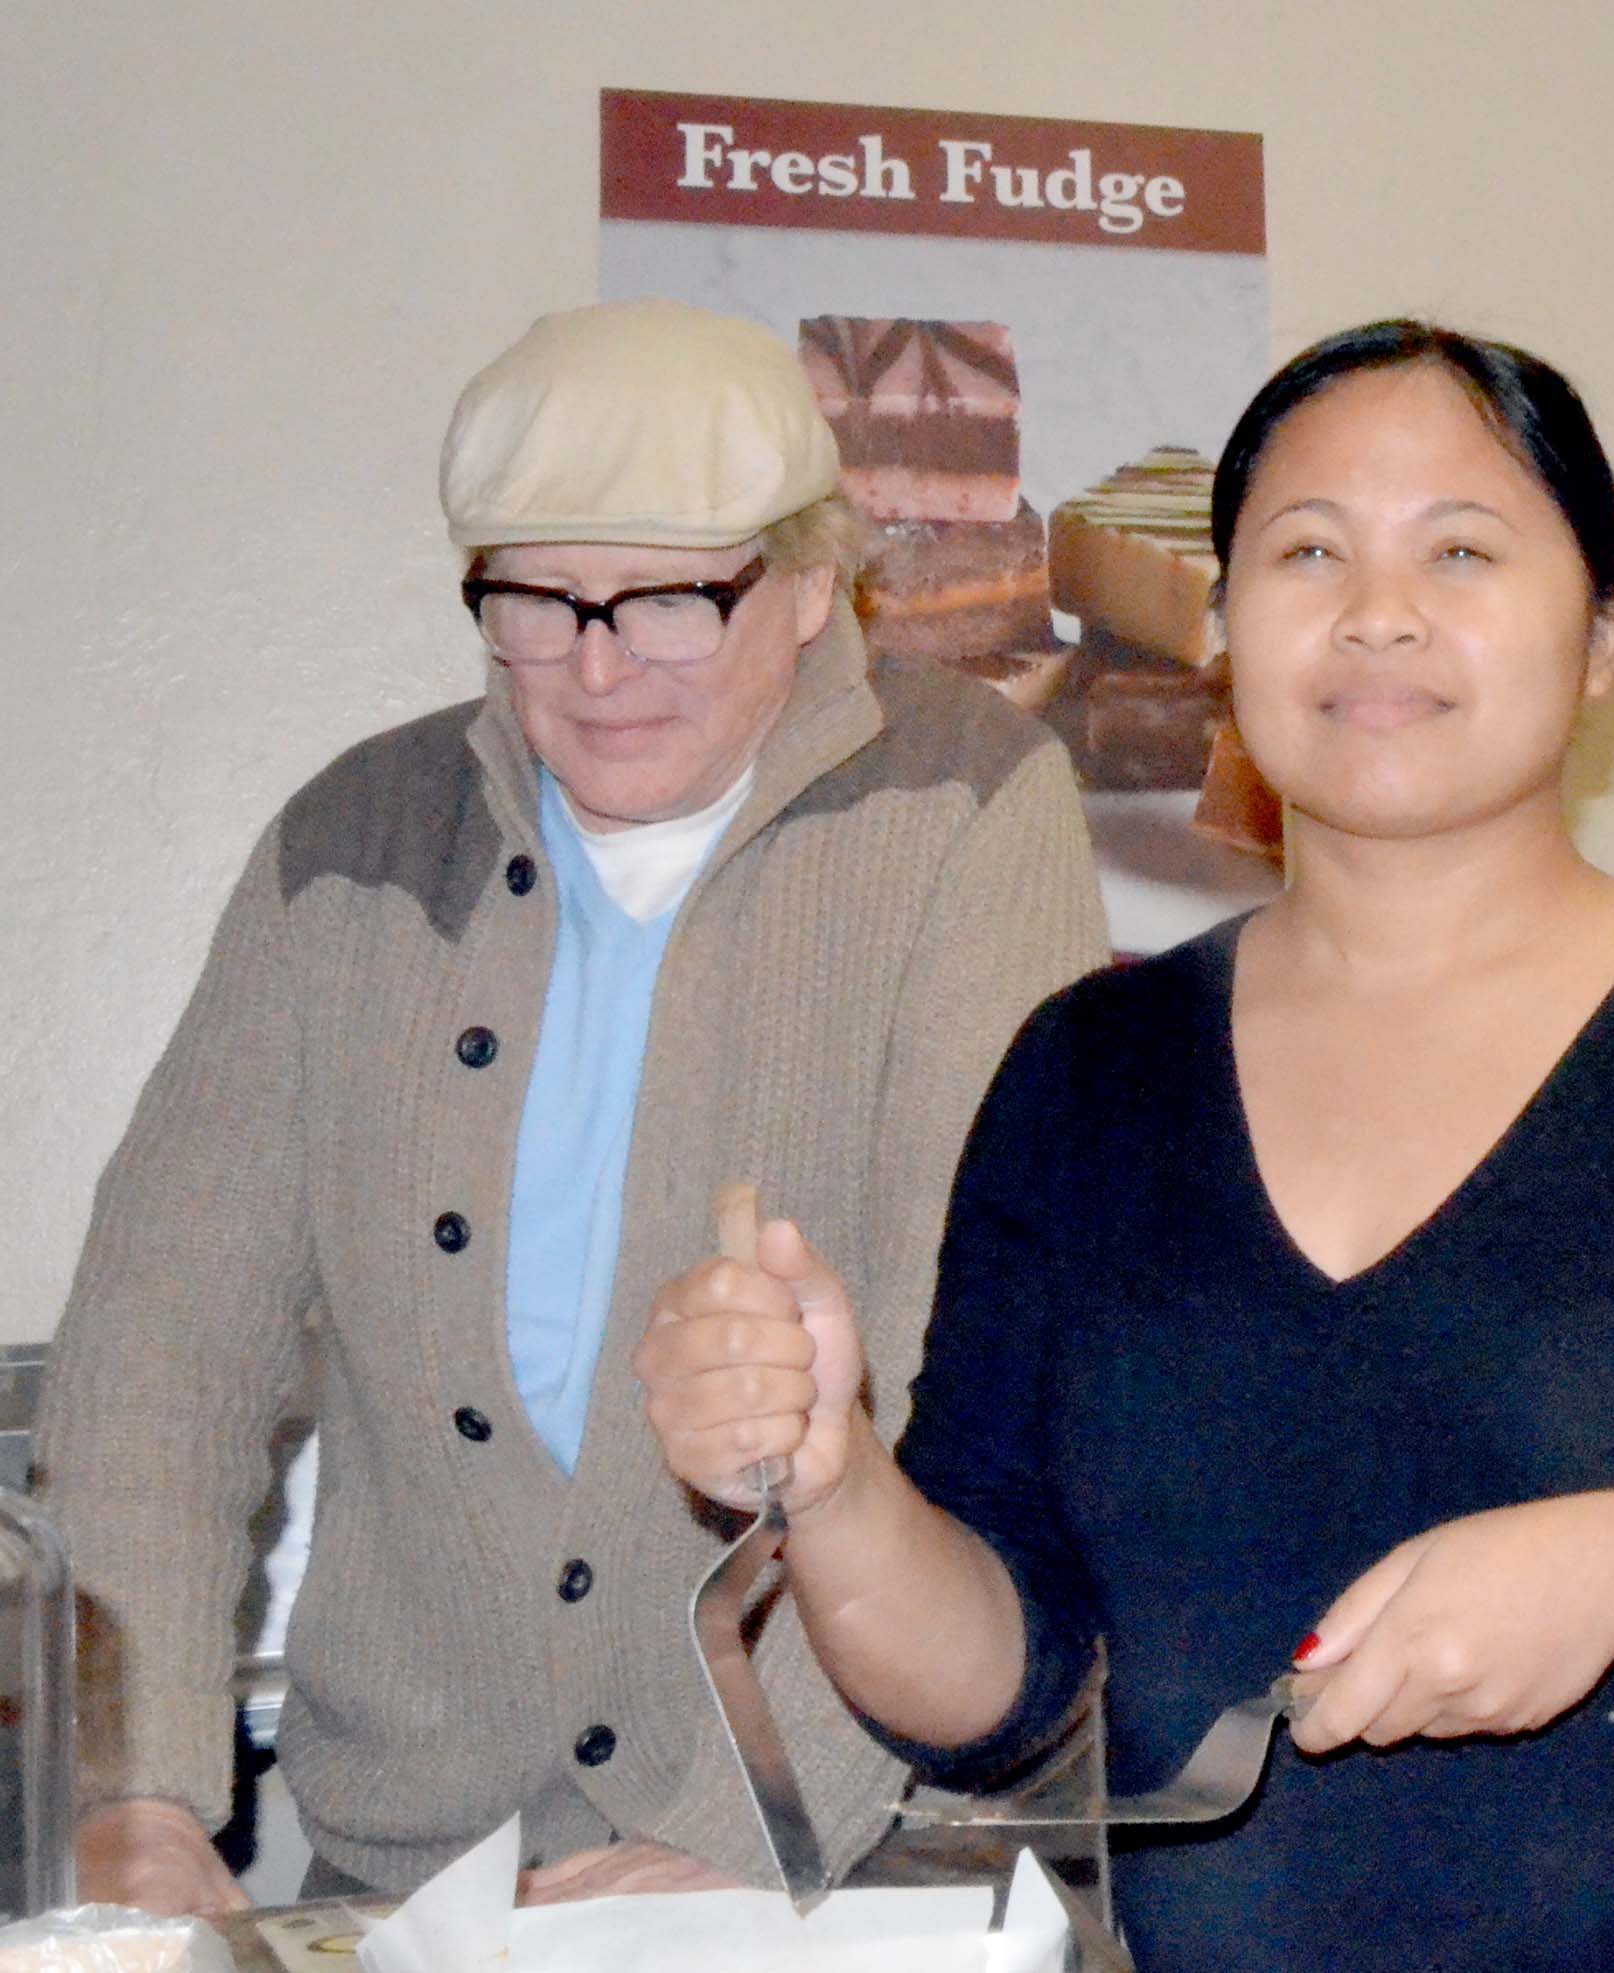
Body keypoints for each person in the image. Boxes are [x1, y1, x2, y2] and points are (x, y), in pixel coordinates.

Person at [640, 319, 1614, 1969]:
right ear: (1217, 628)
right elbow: (998, 1688)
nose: (1379, 611)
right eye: (1309, 550)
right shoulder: (1085, 1077)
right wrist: (833, 1484)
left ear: (1604, 635)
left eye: (1463, 549)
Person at [38, 298, 1108, 1914]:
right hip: (417, 1875)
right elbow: (157, 1354)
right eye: (536, 599)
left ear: (815, 579)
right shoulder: (351, 847)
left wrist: (745, 1826)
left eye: (671, 600)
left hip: (849, 1850)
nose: (597, 665)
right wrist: (131, 1793)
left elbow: (976, 1376)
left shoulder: (965, 805)